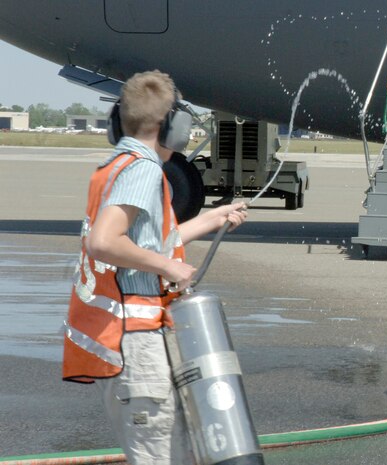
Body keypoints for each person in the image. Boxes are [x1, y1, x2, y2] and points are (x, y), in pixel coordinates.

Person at [62, 70, 248, 463]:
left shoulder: (118, 165)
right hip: (135, 340)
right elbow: (105, 241)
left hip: (128, 337)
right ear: (173, 128)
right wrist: (170, 267)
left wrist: (213, 218)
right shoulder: (144, 169)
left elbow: (148, 241)